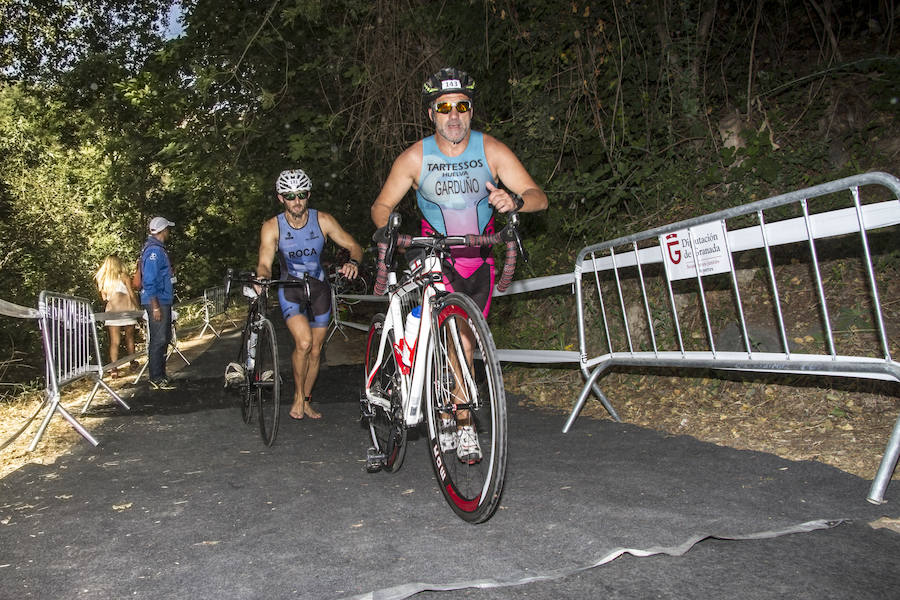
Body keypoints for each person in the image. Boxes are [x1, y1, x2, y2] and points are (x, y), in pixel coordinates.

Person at [370, 66, 548, 463]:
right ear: (431, 113)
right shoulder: (416, 157)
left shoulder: (491, 150)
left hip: (480, 261)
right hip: (437, 257)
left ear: (471, 110)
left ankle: (450, 411)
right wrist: (390, 228)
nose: (454, 115)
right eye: (444, 107)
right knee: (460, 343)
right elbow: (382, 205)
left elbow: (538, 195)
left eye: (462, 106)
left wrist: (515, 201)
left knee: (463, 344)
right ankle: (464, 425)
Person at [256, 168, 363, 420]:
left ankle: (306, 399)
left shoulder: (323, 220)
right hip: (289, 288)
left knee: (316, 350)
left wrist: (354, 262)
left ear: (308, 195)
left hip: (318, 289)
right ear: (281, 197)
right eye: (290, 196)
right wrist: (261, 277)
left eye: (301, 195)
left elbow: (354, 246)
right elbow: (264, 260)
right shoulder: (272, 226)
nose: (296, 201)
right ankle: (297, 396)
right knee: (303, 343)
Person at [140, 216, 176, 390]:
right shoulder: (154, 251)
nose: (169, 232)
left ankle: (161, 374)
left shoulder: (158, 250)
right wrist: (155, 306)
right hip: (157, 300)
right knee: (159, 338)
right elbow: (149, 280)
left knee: (164, 338)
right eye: (167, 229)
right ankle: (156, 377)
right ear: (162, 231)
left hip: (162, 298)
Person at [93, 255, 140, 379]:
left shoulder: (103, 280)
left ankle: (114, 368)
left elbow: (104, 298)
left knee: (114, 341)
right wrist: (138, 308)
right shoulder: (124, 276)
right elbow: (131, 294)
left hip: (112, 311)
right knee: (129, 338)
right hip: (126, 309)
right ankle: (132, 362)